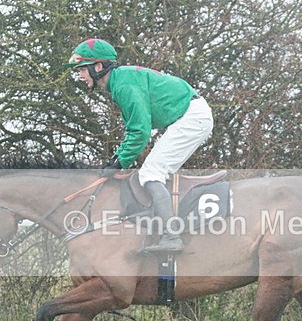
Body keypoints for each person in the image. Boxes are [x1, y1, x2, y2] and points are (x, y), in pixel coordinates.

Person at [66, 38, 213, 253]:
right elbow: (137, 129)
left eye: (81, 69)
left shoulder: (123, 85)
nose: (79, 75)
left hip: (191, 118)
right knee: (151, 171)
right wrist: (117, 160)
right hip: (187, 115)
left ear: (98, 66)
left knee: (151, 174)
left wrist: (120, 162)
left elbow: (141, 132)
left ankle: (172, 236)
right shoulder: (120, 81)